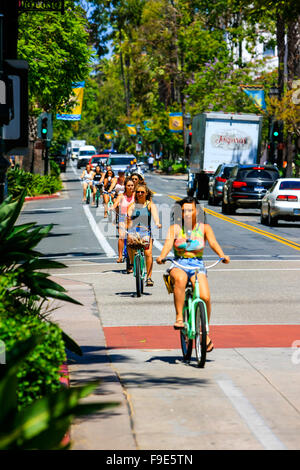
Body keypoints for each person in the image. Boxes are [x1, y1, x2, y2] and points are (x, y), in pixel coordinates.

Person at [156, 196, 230, 351]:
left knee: (205, 297)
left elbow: (213, 243)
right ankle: (179, 318)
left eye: (190, 210)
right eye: (184, 211)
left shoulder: (204, 228)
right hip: (179, 263)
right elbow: (169, 244)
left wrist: (222, 255)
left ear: (197, 211)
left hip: (197, 264)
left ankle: (204, 332)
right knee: (181, 279)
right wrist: (162, 256)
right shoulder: (175, 228)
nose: (187, 214)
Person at [127, 182, 161, 285]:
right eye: (138, 192)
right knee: (129, 244)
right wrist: (127, 222)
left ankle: (149, 277)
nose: (140, 193)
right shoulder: (132, 206)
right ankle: (132, 263)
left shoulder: (150, 205)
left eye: (142, 192)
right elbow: (128, 217)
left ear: (146, 193)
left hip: (146, 231)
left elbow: (155, 216)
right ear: (135, 193)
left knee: (148, 253)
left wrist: (157, 223)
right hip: (134, 231)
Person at [111, 177, 135, 264]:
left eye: (132, 185)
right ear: (125, 186)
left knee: (134, 239)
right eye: (128, 185)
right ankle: (120, 256)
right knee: (121, 236)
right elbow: (115, 204)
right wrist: (112, 207)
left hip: (134, 219)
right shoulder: (121, 196)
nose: (130, 187)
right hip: (123, 218)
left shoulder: (136, 195)